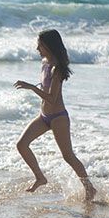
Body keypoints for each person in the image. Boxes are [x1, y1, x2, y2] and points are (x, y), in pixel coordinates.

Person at [13, 30, 96, 202]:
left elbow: (52, 98)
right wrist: (38, 86)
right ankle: (40, 178)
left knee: (68, 156)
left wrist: (32, 88)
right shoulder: (44, 62)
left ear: (49, 46)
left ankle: (90, 188)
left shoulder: (57, 68)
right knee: (21, 144)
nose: (37, 48)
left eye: (40, 45)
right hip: (44, 116)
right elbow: (46, 86)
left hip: (58, 117)